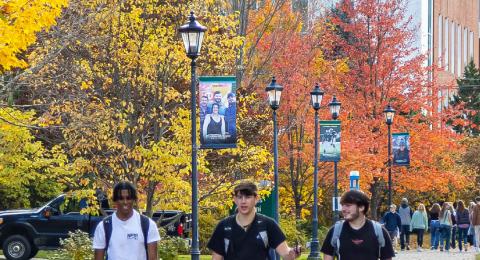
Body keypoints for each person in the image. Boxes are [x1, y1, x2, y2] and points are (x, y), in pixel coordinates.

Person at [207, 181, 301, 259]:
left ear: (256, 199)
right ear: (235, 199)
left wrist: (293, 253)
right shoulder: (224, 226)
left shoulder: (268, 224)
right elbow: (216, 258)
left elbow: (286, 253)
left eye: (248, 197)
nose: (243, 201)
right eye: (240, 197)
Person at [93, 181, 160, 260]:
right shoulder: (103, 226)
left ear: (134, 200)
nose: (125, 202)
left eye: (128, 198)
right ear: (115, 200)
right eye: (121, 198)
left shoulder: (148, 225)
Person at [321, 190, 395, 260]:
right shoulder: (335, 231)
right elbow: (328, 256)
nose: (343, 209)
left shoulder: (379, 231)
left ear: (361, 207)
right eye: (342, 205)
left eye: (348, 205)